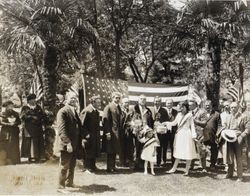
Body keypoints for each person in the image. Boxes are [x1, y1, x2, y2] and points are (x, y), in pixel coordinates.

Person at [57, 93, 83, 192]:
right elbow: (62, 130)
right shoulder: (63, 111)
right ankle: (60, 186)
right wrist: (67, 143)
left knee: (72, 165)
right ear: (66, 99)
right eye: (71, 98)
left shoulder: (74, 111)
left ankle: (69, 183)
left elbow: (79, 126)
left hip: (75, 143)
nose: (74, 100)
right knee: (64, 165)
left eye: (75, 98)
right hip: (67, 143)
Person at [164, 101, 197, 176]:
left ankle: (186, 170)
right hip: (179, 134)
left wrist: (194, 136)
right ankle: (174, 168)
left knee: (188, 152)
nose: (180, 109)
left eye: (181, 107)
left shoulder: (189, 115)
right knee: (178, 152)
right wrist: (166, 123)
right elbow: (174, 123)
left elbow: (192, 126)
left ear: (185, 107)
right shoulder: (178, 114)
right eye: (179, 107)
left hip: (187, 135)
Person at [222, 102, 250, 182]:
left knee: (239, 157)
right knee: (229, 156)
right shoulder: (228, 117)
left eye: (234, 107)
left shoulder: (244, 117)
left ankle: (240, 176)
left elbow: (248, 128)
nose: (233, 109)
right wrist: (224, 131)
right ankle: (229, 174)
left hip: (238, 139)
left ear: (238, 108)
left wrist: (241, 136)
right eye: (231, 107)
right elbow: (224, 126)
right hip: (229, 138)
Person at [194, 100, 221, 170]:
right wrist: (199, 132)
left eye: (209, 105)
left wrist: (217, 134)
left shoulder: (217, 114)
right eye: (206, 105)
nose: (207, 106)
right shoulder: (200, 113)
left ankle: (213, 164)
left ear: (211, 105)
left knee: (214, 150)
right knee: (202, 151)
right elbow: (196, 123)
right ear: (204, 106)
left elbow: (219, 125)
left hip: (213, 135)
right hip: (202, 135)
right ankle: (203, 166)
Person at [20, 94, 46, 163]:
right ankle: (30, 157)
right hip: (29, 128)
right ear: (29, 100)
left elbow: (42, 115)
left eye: (35, 99)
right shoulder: (25, 108)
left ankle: (38, 156)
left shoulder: (38, 107)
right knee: (29, 142)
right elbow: (22, 116)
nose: (34, 100)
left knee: (37, 142)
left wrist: (38, 118)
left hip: (37, 127)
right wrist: (31, 117)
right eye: (33, 99)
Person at [131, 94, 154, 170]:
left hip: (146, 132)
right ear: (138, 100)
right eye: (141, 99)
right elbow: (130, 120)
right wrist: (134, 127)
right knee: (137, 148)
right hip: (138, 132)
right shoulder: (134, 109)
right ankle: (136, 165)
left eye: (144, 99)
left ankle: (144, 164)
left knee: (145, 148)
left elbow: (151, 121)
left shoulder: (148, 110)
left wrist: (150, 130)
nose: (143, 100)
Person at [102, 92, 123, 173]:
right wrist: (107, 132)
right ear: (112, 98)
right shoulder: (108, 107)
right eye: (116, 98)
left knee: (114, 150)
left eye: (118, 98)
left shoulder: (118, 107)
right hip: (111, 132)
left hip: (117, 132)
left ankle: (113, 166)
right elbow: (105, 120)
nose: (117, 99)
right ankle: (109, 168)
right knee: (110, 150)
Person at [80, 95, 101, 173]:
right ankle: (87, 168)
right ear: (93, 102)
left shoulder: (95, 111)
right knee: (88, 152)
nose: (99, 104)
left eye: (100, 102)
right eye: (98, 102)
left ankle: (92, 166)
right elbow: (81, 125)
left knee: (93, 151)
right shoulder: (87, 111)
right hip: (88, 136)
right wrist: (86, 134)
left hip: (94, 135)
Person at [189, 99, 207, 172]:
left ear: (195, 105)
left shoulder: (202, 112)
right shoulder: (189, 112)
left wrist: (194, 120)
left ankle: (204, 167)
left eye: (190, 105)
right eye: (189, 105)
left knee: (201, 151)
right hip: (191, 134)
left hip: (200, 134)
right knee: (191, 150)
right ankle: (191, 166)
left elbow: (204, 123)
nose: (189, 106)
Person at [0, 101, 21, 165]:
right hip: (6, 132)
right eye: (9, 106)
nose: (11, 107)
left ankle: (15, 161)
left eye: (12, 106)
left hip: (14, 132)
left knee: (14, 146)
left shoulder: (15, 113)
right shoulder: (2, 113)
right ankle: (5, 161)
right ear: (6, 106)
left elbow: (19, 121)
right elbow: (1, 122)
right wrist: (8, 124)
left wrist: (15, 123)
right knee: (6, 146)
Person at [151, 96, 168, 167]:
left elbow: (166, 121)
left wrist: (162, 125)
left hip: (160, 132)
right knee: (151, 147)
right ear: (153, 101)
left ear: (160, 102)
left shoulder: (164, 110)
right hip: (151, 132)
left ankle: (158, 162)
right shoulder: (150, 110)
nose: (156, 102)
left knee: (159, 147)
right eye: (155, 101)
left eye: (158, 101)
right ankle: (150, 162)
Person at [120, 97, 134, 167]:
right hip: (121, 131)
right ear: (122, 103)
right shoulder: (119, 110)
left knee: (129, 146)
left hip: (128, 131)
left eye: (128, 103)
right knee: (122, 146)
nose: (127, 104)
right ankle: (122, 161)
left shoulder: (130, 111)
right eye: (125, 102)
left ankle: (128, 160)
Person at [165, 99, 178, 165]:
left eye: (170, 103)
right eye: (168, 103)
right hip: (164, 132)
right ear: (165, 104)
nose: (169, 105)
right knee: (164, 147)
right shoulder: (162, 111)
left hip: (173, 132)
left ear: (172, 104)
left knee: (173, 146)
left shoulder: (176, 112)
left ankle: (173, 161)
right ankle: (163, 161)